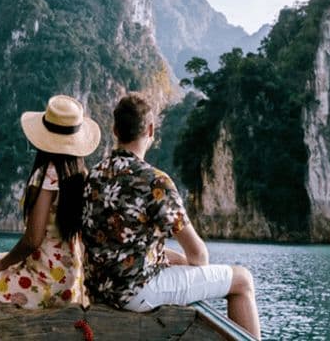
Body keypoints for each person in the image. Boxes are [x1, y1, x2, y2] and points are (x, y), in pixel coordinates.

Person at [81, 92, 261, 339]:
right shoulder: (155, 182)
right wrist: (182, 260)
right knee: (242, 280)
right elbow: (199, 256)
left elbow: (118, 243)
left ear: (114, 129)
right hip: (134, 293)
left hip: (97, 289)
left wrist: (167, 257)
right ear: (151, 130)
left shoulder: (94, 176)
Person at [0, 94, 100, 312]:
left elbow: (32, 240)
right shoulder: (81, 176)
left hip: (45, 282)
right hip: (70, 281)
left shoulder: (47, 176)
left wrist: (2, 264)